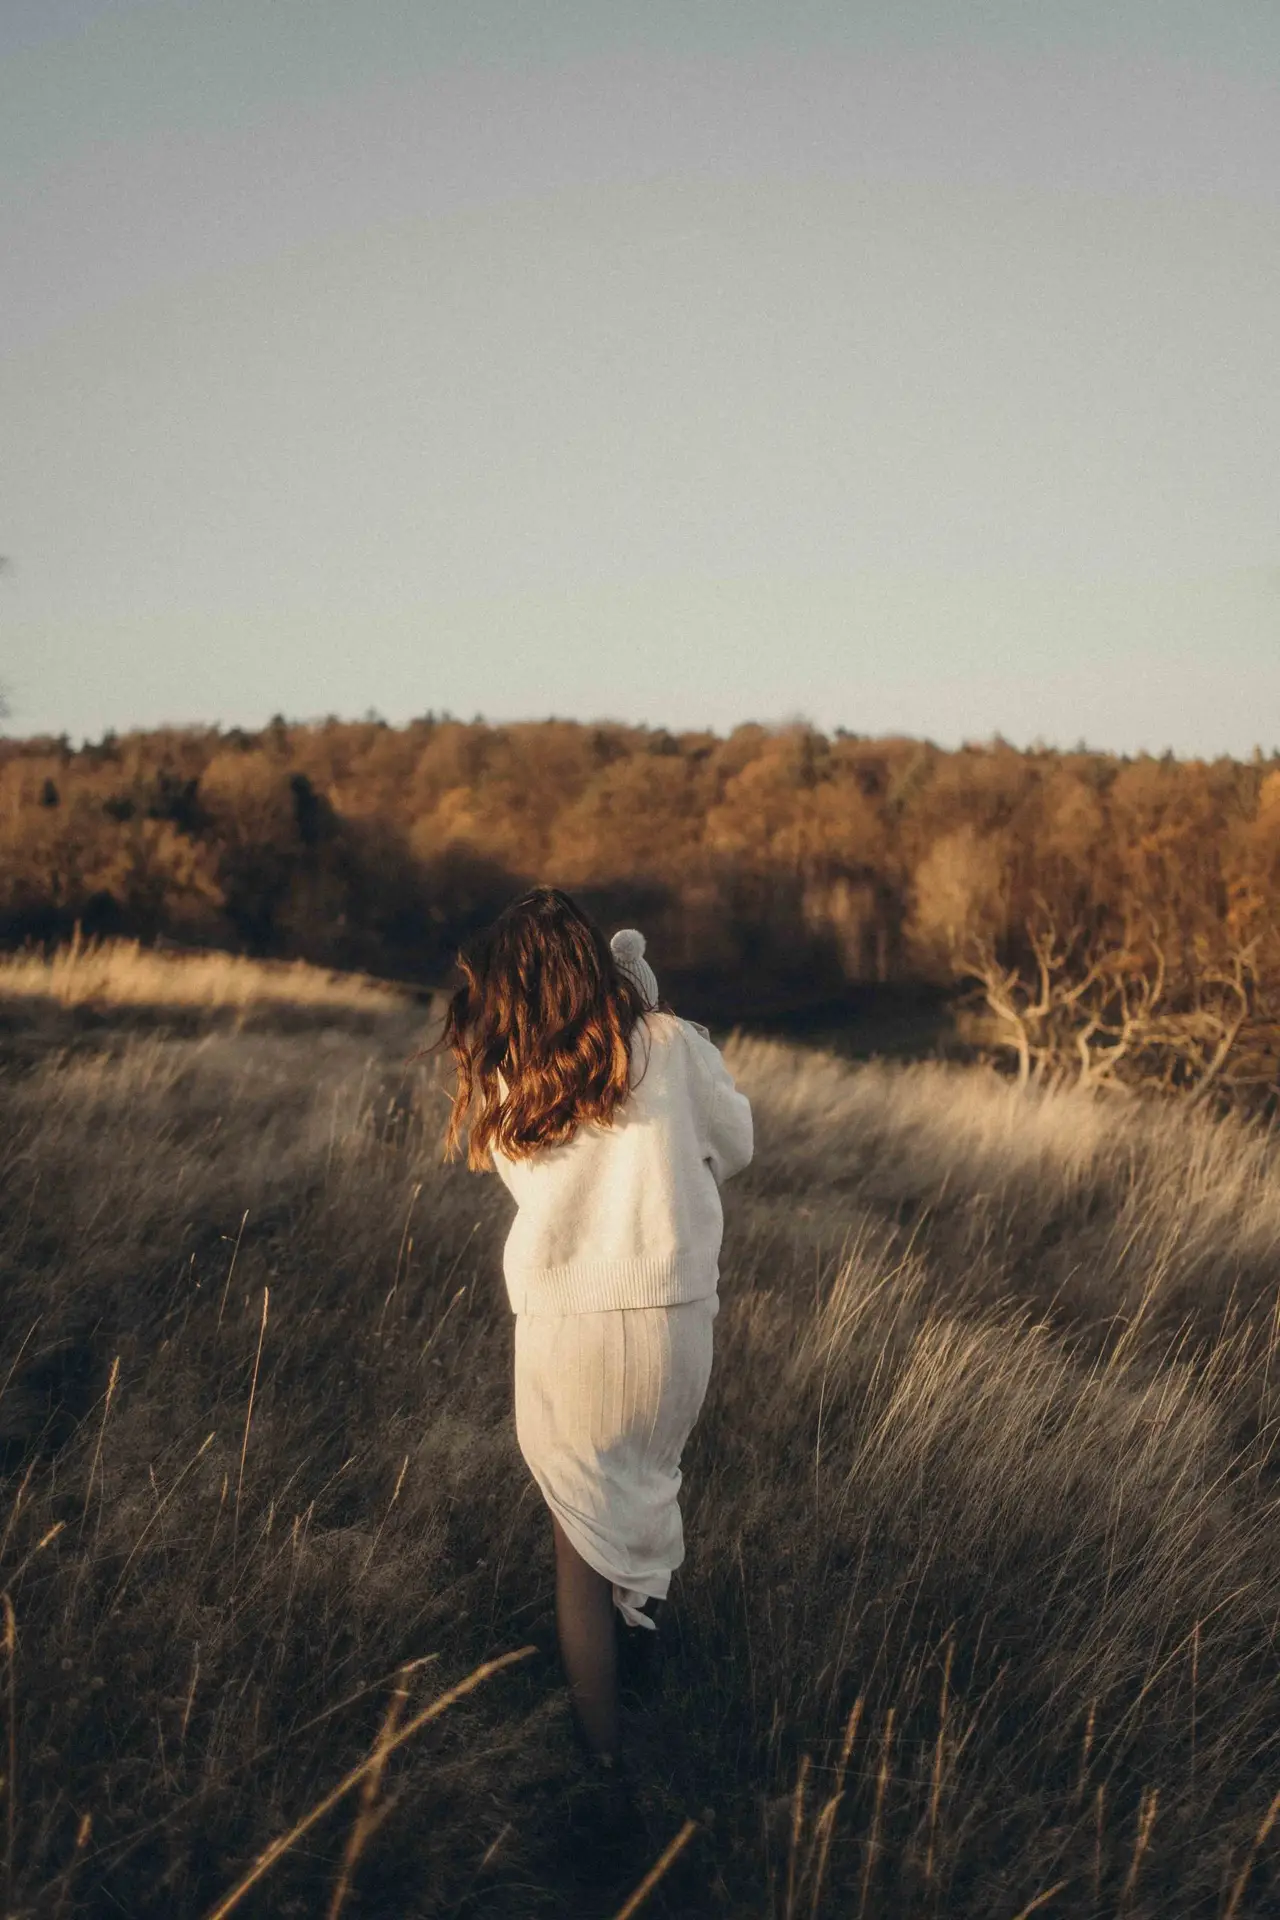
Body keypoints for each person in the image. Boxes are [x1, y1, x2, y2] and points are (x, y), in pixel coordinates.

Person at [439, 886, 753, 1772]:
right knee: (649, 1491)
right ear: (592, 964)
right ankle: (645, 1678)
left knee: (579, 1545)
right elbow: (737, 1144)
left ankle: (605, 1765)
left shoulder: (513, 1068)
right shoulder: (669, 1045)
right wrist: (645, 1008)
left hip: (566, 1329)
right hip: (671, 1320)